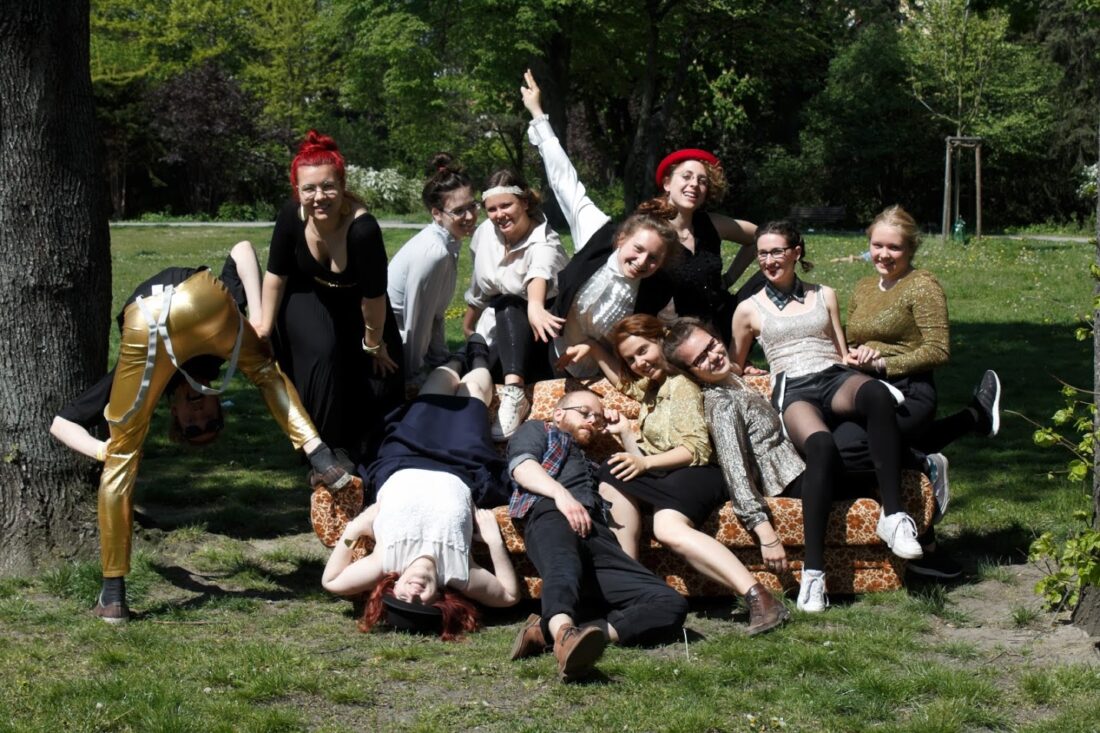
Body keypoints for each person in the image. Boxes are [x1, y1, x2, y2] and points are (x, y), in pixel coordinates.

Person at [51, 242, 354, 624]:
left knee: (122, 460)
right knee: (264, 370)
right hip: (197, 304)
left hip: (146, 323)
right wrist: (258, 319)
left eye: (192, 427)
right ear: (218, 404)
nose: (199, 416)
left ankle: (113, 594)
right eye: (210, 424)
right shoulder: (216, 359)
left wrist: (106, 452)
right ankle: (319, 455)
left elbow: (60, 422)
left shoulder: (146, 381)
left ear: (174, 414)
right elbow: (242, 250)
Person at [729, 220, 924, 611]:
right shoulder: (748, 309)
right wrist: (745, 372)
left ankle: (894, 515)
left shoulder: (825, 294)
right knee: (820, 445)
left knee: (875, 394)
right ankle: (814, 574)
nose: (769, 260)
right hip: (793, 388)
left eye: (777, 251)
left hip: (833, 376)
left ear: (796, 252)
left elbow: (840, 352)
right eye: (763, 253)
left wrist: (864, 356)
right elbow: (735, 363)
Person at [559, 315, 789, 634]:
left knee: (612, 470)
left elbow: (696, 449)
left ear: (661, 340)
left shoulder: (681, 385)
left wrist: (644, 465)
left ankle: (628, 586)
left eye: (643, 350)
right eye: (631, 359)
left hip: (703, 473)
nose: (639, 363)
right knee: (666, 528)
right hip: (677, 477)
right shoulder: (654, 388)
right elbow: (625, 384)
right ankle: (759, 598)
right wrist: (596, 351)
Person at [840, 204, 1002, 578]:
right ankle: (956, 431)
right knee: (842, 448)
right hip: (867, 390)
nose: (884, 255)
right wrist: (854, 354)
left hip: (910, 391)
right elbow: (855, 338)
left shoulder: (922, 285)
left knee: (863, 448)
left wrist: (883, 363)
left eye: (894, 247)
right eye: (877, 245)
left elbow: (938, 350)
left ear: (910, 249)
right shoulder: (864, 287)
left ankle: (920, 465)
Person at [321, 337, 520, 639]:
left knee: (435, 390)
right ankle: (480, 356)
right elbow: (508, 596)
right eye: (420, 603)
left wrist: (353, 529)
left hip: (405, 456)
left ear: (394, 587)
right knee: (474, 392)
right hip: (462, 464)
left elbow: (331, 581)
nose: (412, 594)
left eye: (402, 598)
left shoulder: (387, 562)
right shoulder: (458, 573)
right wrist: (494, 543)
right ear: (438, 599)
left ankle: (457, 357)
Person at [506, 387, 689, 681]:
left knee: (671, 604)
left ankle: (553, 634)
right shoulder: (539, 430)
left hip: (598, 535)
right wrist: (562, 496)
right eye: (585, 413)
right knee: (562, 569)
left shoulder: (596, 464)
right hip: (552, 513)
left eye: (599, 418)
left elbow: (648, 478)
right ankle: (564, 636)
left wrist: (625, 433)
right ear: (558, 414)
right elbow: (522, 467)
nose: (593, 420)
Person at [520, 70, 680, 379]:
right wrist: (538, 114)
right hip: (551, 356)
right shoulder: (598, 233)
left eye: (653, 259)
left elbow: (668, 335)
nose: (642, 261)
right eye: (638, 249)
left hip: (608, 376)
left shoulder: (659, 292)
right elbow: (565, 181)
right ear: (621, 239)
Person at [258, 130, 403, 464]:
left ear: (342, 184)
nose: (319, 197)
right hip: (308, 293)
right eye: (309, 189)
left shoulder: (363, 230)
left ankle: (372, 455)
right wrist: (265, 327)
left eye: (328, 186)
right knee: (323, 353)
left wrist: (373, 344)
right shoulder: (290, 216)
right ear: (297, 190)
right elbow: (276, 275)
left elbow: (373, 297)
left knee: (382, 374)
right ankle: (323, 451)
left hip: (360, 305)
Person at [462, 169, 568, 440]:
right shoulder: (485, 234)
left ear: (525, 202)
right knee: (466, 367)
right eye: (492, 209)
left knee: (510, 302)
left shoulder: (545, 242)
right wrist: (468, 326)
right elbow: (480, 286)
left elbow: (538, 276)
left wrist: (535, 306)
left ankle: (515, 393)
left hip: (540, 339)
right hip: (500, 330)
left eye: (506, 205)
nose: (499, 214)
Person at [635, 148, 760, 343]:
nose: (694, 184)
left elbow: (761, 236)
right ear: (667, 183)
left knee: (768, 278)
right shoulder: (650, 230)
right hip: (677, 338)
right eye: (686, 177)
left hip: (723, 323)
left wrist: (729, 278)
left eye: (702, 181)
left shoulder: (711, 224)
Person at [389, 154, 479, 387]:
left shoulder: (448, 243)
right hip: (392, 347)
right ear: (436, 213)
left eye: (472, 206)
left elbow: (435, 315)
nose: (470, 216)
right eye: (459, 211)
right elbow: (417, 323)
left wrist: (442, 359)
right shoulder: (433, 253)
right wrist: (414, 376)